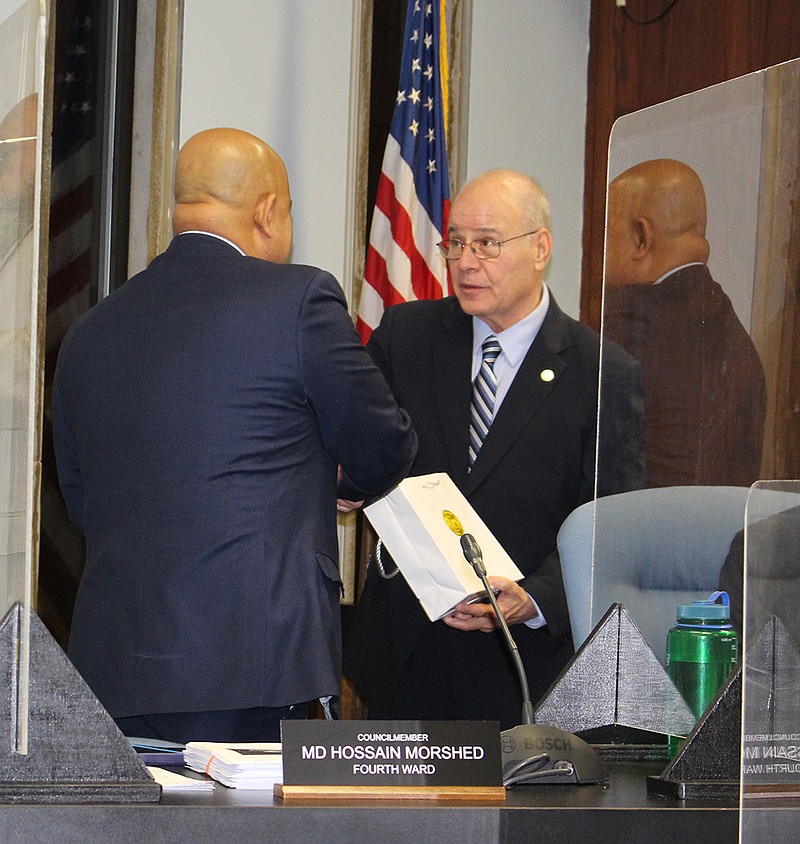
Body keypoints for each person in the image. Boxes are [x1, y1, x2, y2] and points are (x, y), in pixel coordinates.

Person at [52, 127, 417, 743]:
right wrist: (340, 482)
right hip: (254, 664)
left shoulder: (89, 330)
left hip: (113, 675)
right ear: (269, 210)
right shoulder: (298, 300)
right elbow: (384, 442)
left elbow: (82, 499)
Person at [344, 169, 644, 730]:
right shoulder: (406, 335)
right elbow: (358, 445)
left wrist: (535, 599)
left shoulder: (601, 371)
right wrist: (343, 483)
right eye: (455, 243)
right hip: (405, 661)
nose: (464, 261)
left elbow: (612, 524)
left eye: (486, 243)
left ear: (540, 248)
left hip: (523, 675)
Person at [603, 158, 767, 488]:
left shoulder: (630, 324)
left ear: (640, 238)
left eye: (606, 234)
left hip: (632, 534)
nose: (600, 254)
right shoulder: (732, 332)